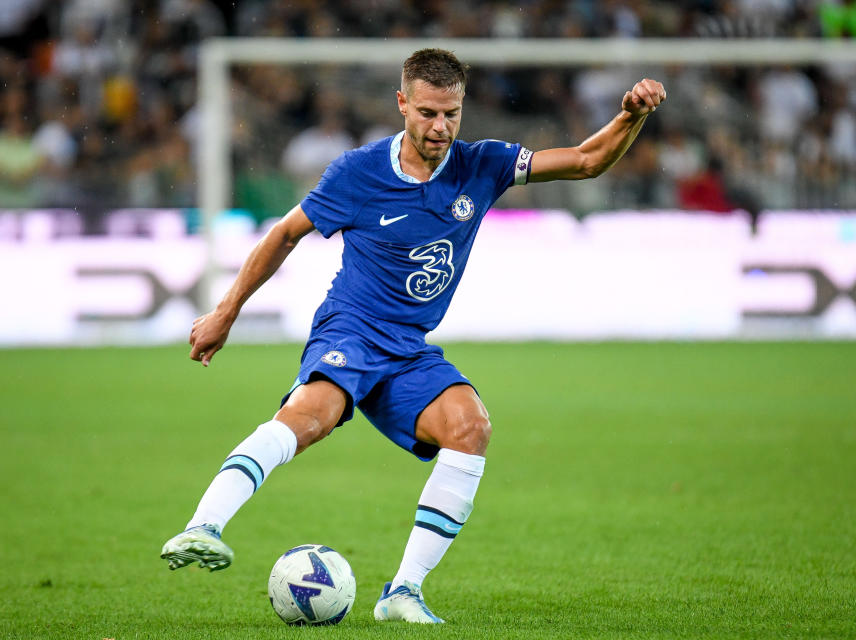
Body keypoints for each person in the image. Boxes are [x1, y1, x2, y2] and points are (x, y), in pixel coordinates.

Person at [161, 48, 666, 624]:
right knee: (311, 418)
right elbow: (284, 234)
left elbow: (585, 160)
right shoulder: (358, 173)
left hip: (408, 347)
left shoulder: (484, 164)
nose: (440, 127)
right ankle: (202, 526)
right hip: (352, 327)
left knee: (470, 428)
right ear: (402, 104)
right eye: (427, 112)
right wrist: (226, 312)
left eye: (451, 113)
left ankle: (402, 593)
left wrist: (632, 116)